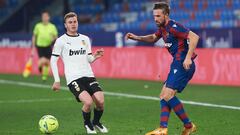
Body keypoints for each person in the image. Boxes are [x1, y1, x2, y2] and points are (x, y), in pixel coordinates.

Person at [125, 2, 199, 135]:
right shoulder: (163, 28)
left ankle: (188, 125)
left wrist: (188, 58)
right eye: (154, 16)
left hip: (183, 64)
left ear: (166, 15)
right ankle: (163, 128)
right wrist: (136, 37)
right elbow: (153, 38)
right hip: (176, 64)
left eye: (158, 16)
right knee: (163, 95)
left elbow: (194, 37)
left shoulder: (174, 27)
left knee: (167, 95)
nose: (155, 18)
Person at [50, 12, 108, 134]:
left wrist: (95, 56)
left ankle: (96, 122)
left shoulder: (85, 39)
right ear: (65, 25)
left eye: (75, 21)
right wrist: (57, 80)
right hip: (73, 78)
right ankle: (87, 124)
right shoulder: (61, 41)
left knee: (101, 102)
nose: (73, 24)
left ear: (77, 22)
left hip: (89, 75)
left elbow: (89, 59)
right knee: (88, 102)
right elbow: (53, 61)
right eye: (70, 22)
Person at [32, 11, 58, 81]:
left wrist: (54, 40)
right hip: (40, 46)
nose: (45, 18)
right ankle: (40, 67)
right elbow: (34, 36)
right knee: (42, 61)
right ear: (42, 18)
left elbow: (56, 37)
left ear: (48, 17)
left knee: (47, 63)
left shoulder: (52, 26)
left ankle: (44, 76)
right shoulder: (38, 26)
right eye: (43, 16)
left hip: (48, 46)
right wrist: (33, 46)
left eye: (46, 16)